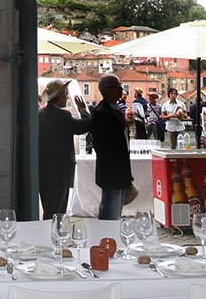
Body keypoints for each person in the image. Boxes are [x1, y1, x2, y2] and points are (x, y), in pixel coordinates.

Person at [38, 80, 91, 217]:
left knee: (49, 209)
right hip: (60, 173)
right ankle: (53, 231)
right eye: (66, 93)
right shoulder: (63, 116)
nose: (67, 96)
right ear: (59, 95)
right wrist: (83, 110)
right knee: (57, 212)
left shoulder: (39, 115)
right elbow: (84, 126)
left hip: (44, 172)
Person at [88, 74, 134, 220]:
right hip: (112, 173)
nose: (121, 90)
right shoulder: (102, 112)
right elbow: (103, 146)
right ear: (106, 89)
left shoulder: (115, 108)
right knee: (110, 214)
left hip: (120, 171)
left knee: (116, 213)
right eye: (117, 87)